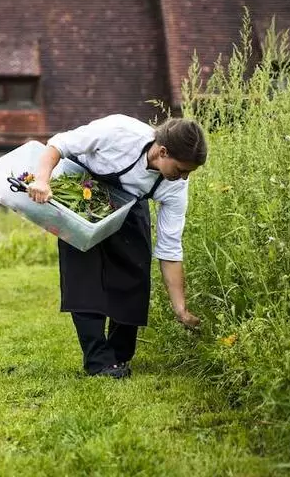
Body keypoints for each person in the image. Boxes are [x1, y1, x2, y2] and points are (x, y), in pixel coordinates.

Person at [28, 114, 207, 379]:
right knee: (84, 277)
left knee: (134, 274)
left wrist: (180, 307)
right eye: (181, 170)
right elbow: (58, 145)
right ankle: (98, 361)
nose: (183, 178)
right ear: (163, 151)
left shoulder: (175, 186)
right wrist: (42, 180)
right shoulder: (119, 132)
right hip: (83, 191)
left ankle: (119, 355)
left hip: (129, 205)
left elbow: (170, 247)